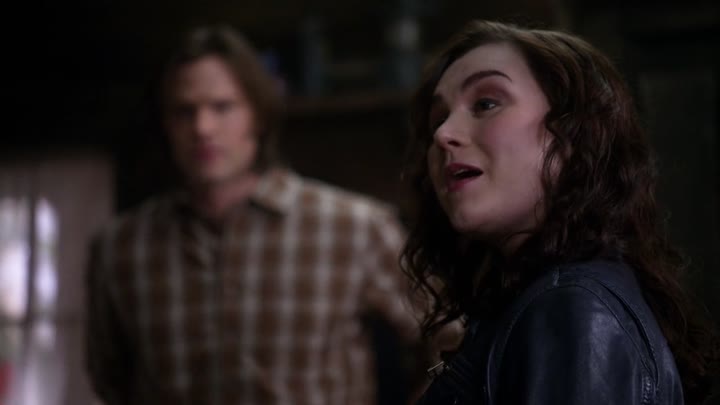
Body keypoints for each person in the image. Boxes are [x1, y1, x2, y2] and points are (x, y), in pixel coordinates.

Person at [84, 25, 425, 405]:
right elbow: (109, 378)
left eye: (222, 107)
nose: (202, 128)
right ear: (166, 124)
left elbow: (444, 340)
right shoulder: (121, 247)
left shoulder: (355, 227)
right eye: (184, 111)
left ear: (258, 116)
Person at [400, 20, 719, 405]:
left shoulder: (574, 309)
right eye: (438, 118)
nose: (443, 134)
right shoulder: (544, 298)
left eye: (486, 104)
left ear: (574, 133)